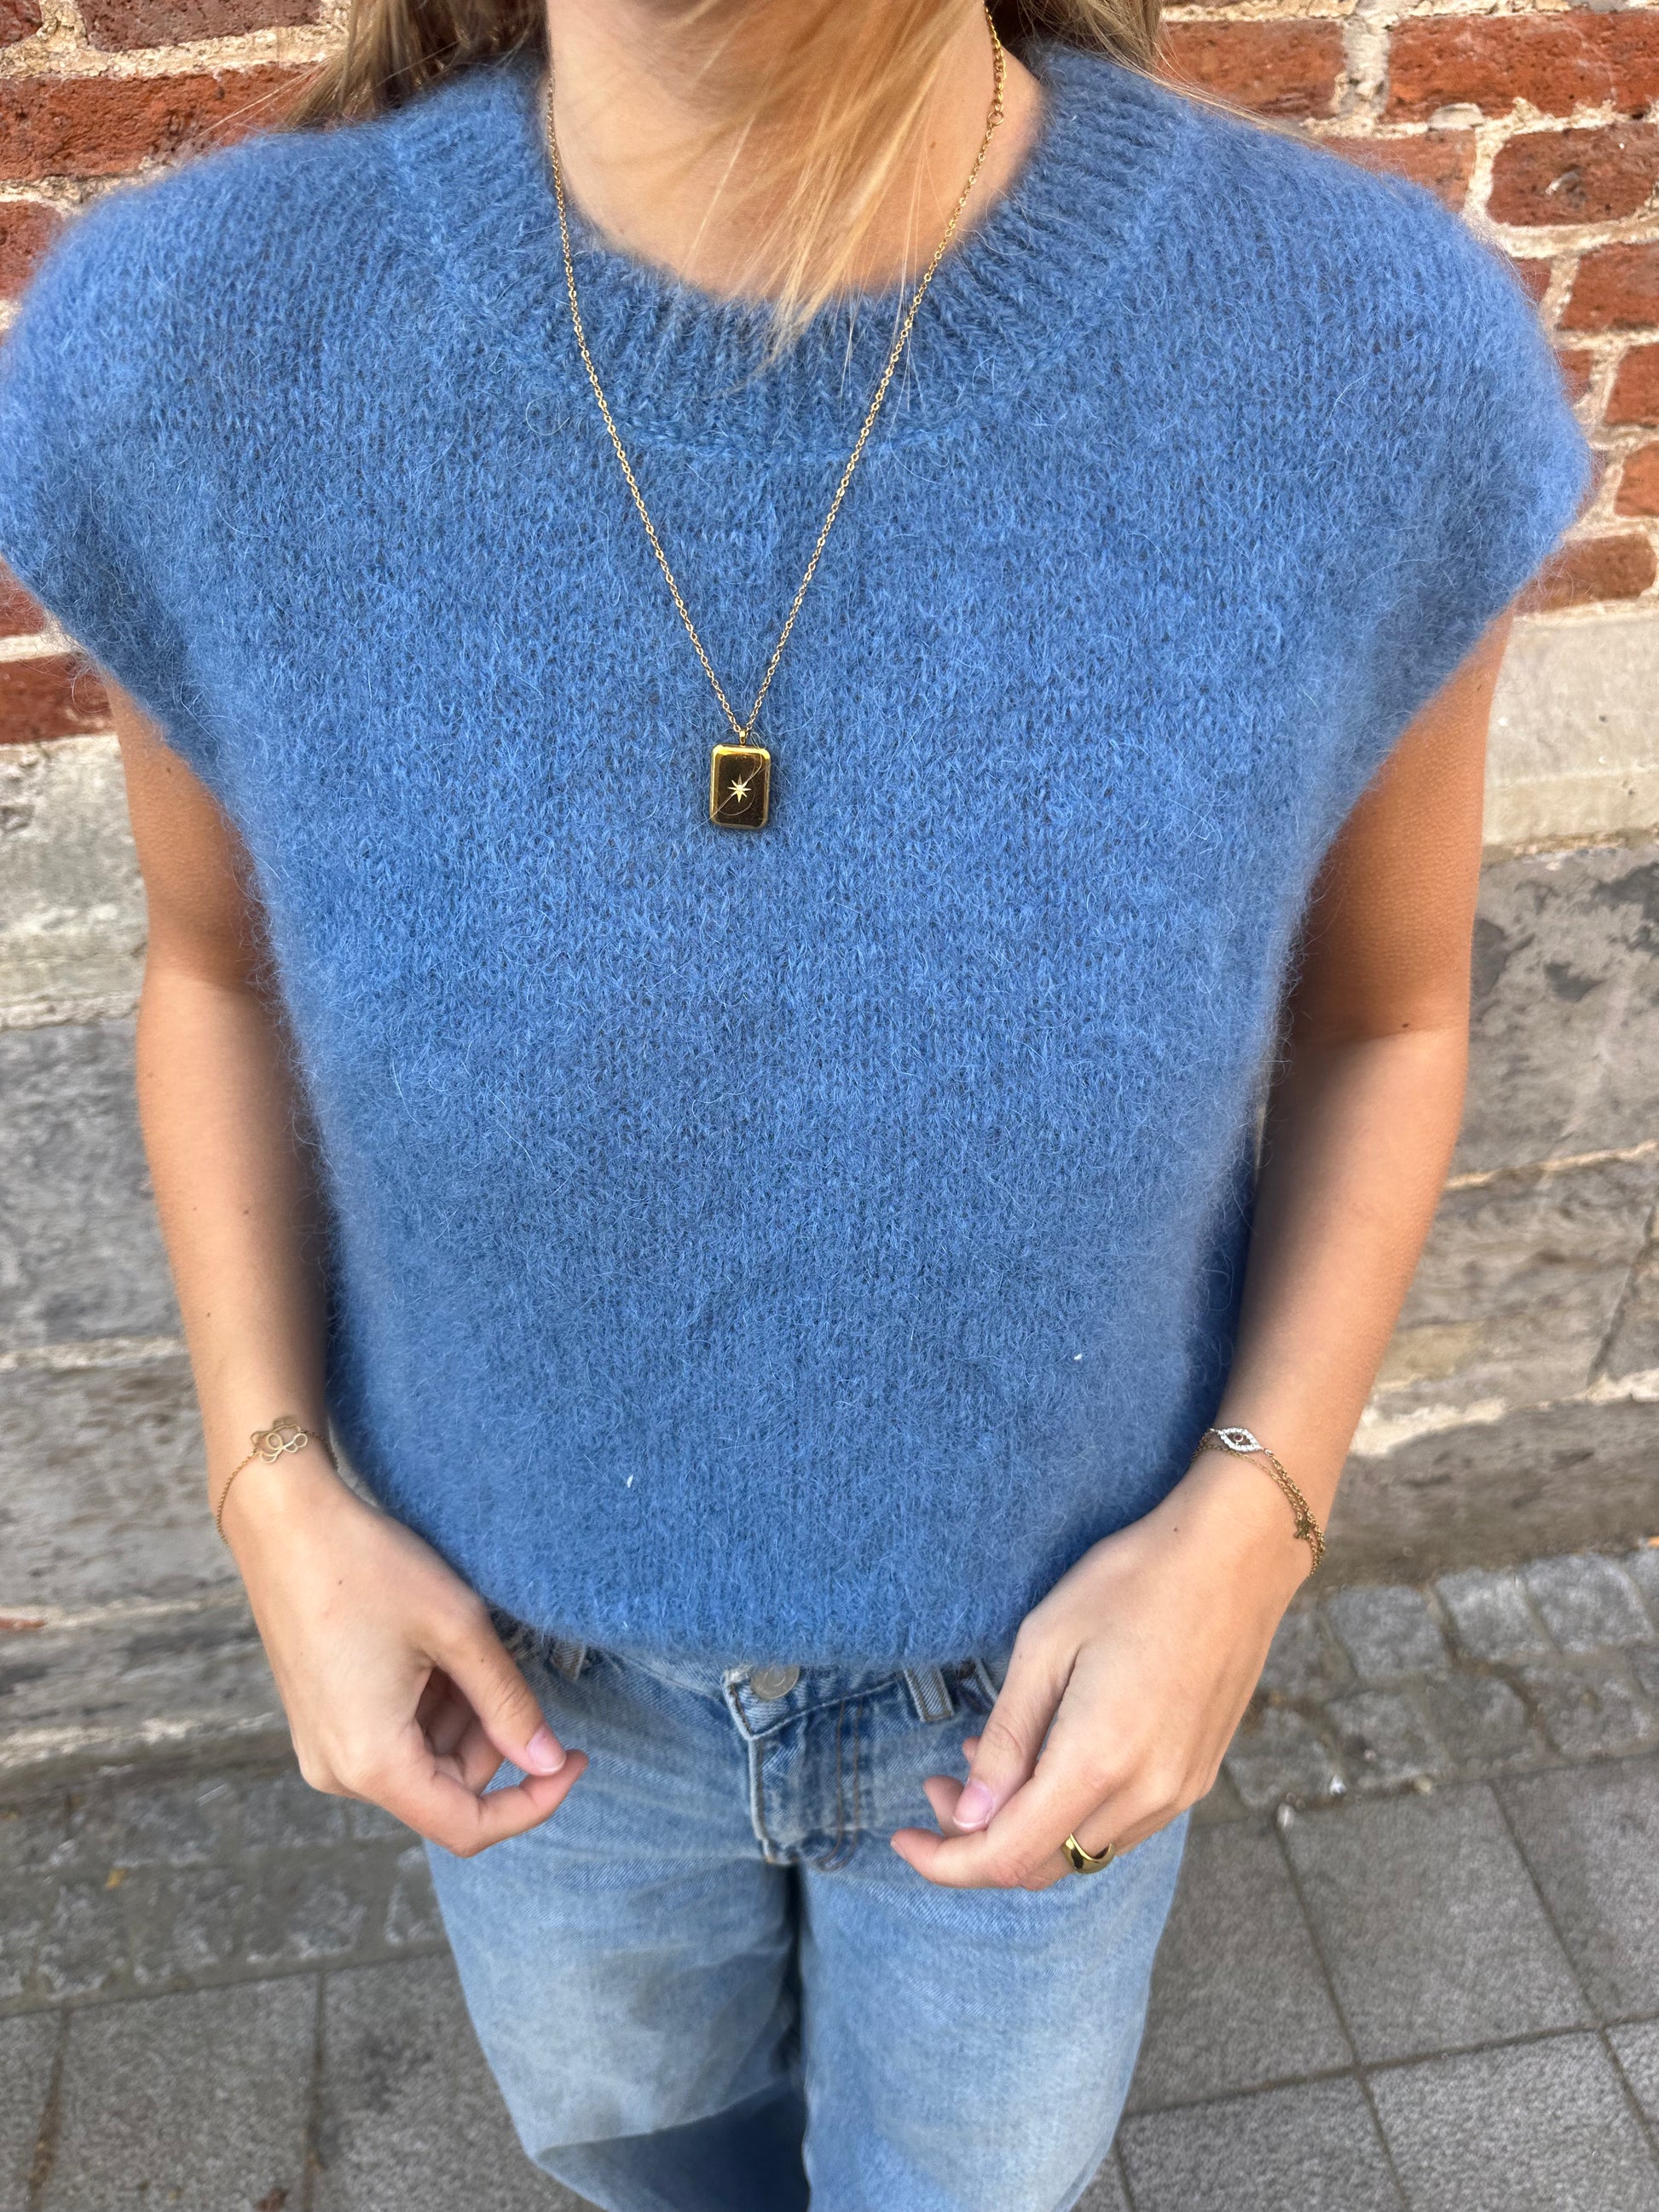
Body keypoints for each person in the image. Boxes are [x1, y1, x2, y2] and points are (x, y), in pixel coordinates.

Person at [0, 0, 1590, 2203]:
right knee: (650, 2170)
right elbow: (213, 971)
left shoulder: (1365, 366)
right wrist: (271, 1484)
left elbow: (1384, 1018)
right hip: (518, 1688)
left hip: (1046, 1687)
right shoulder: (196, 360)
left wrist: (1255, 1519)